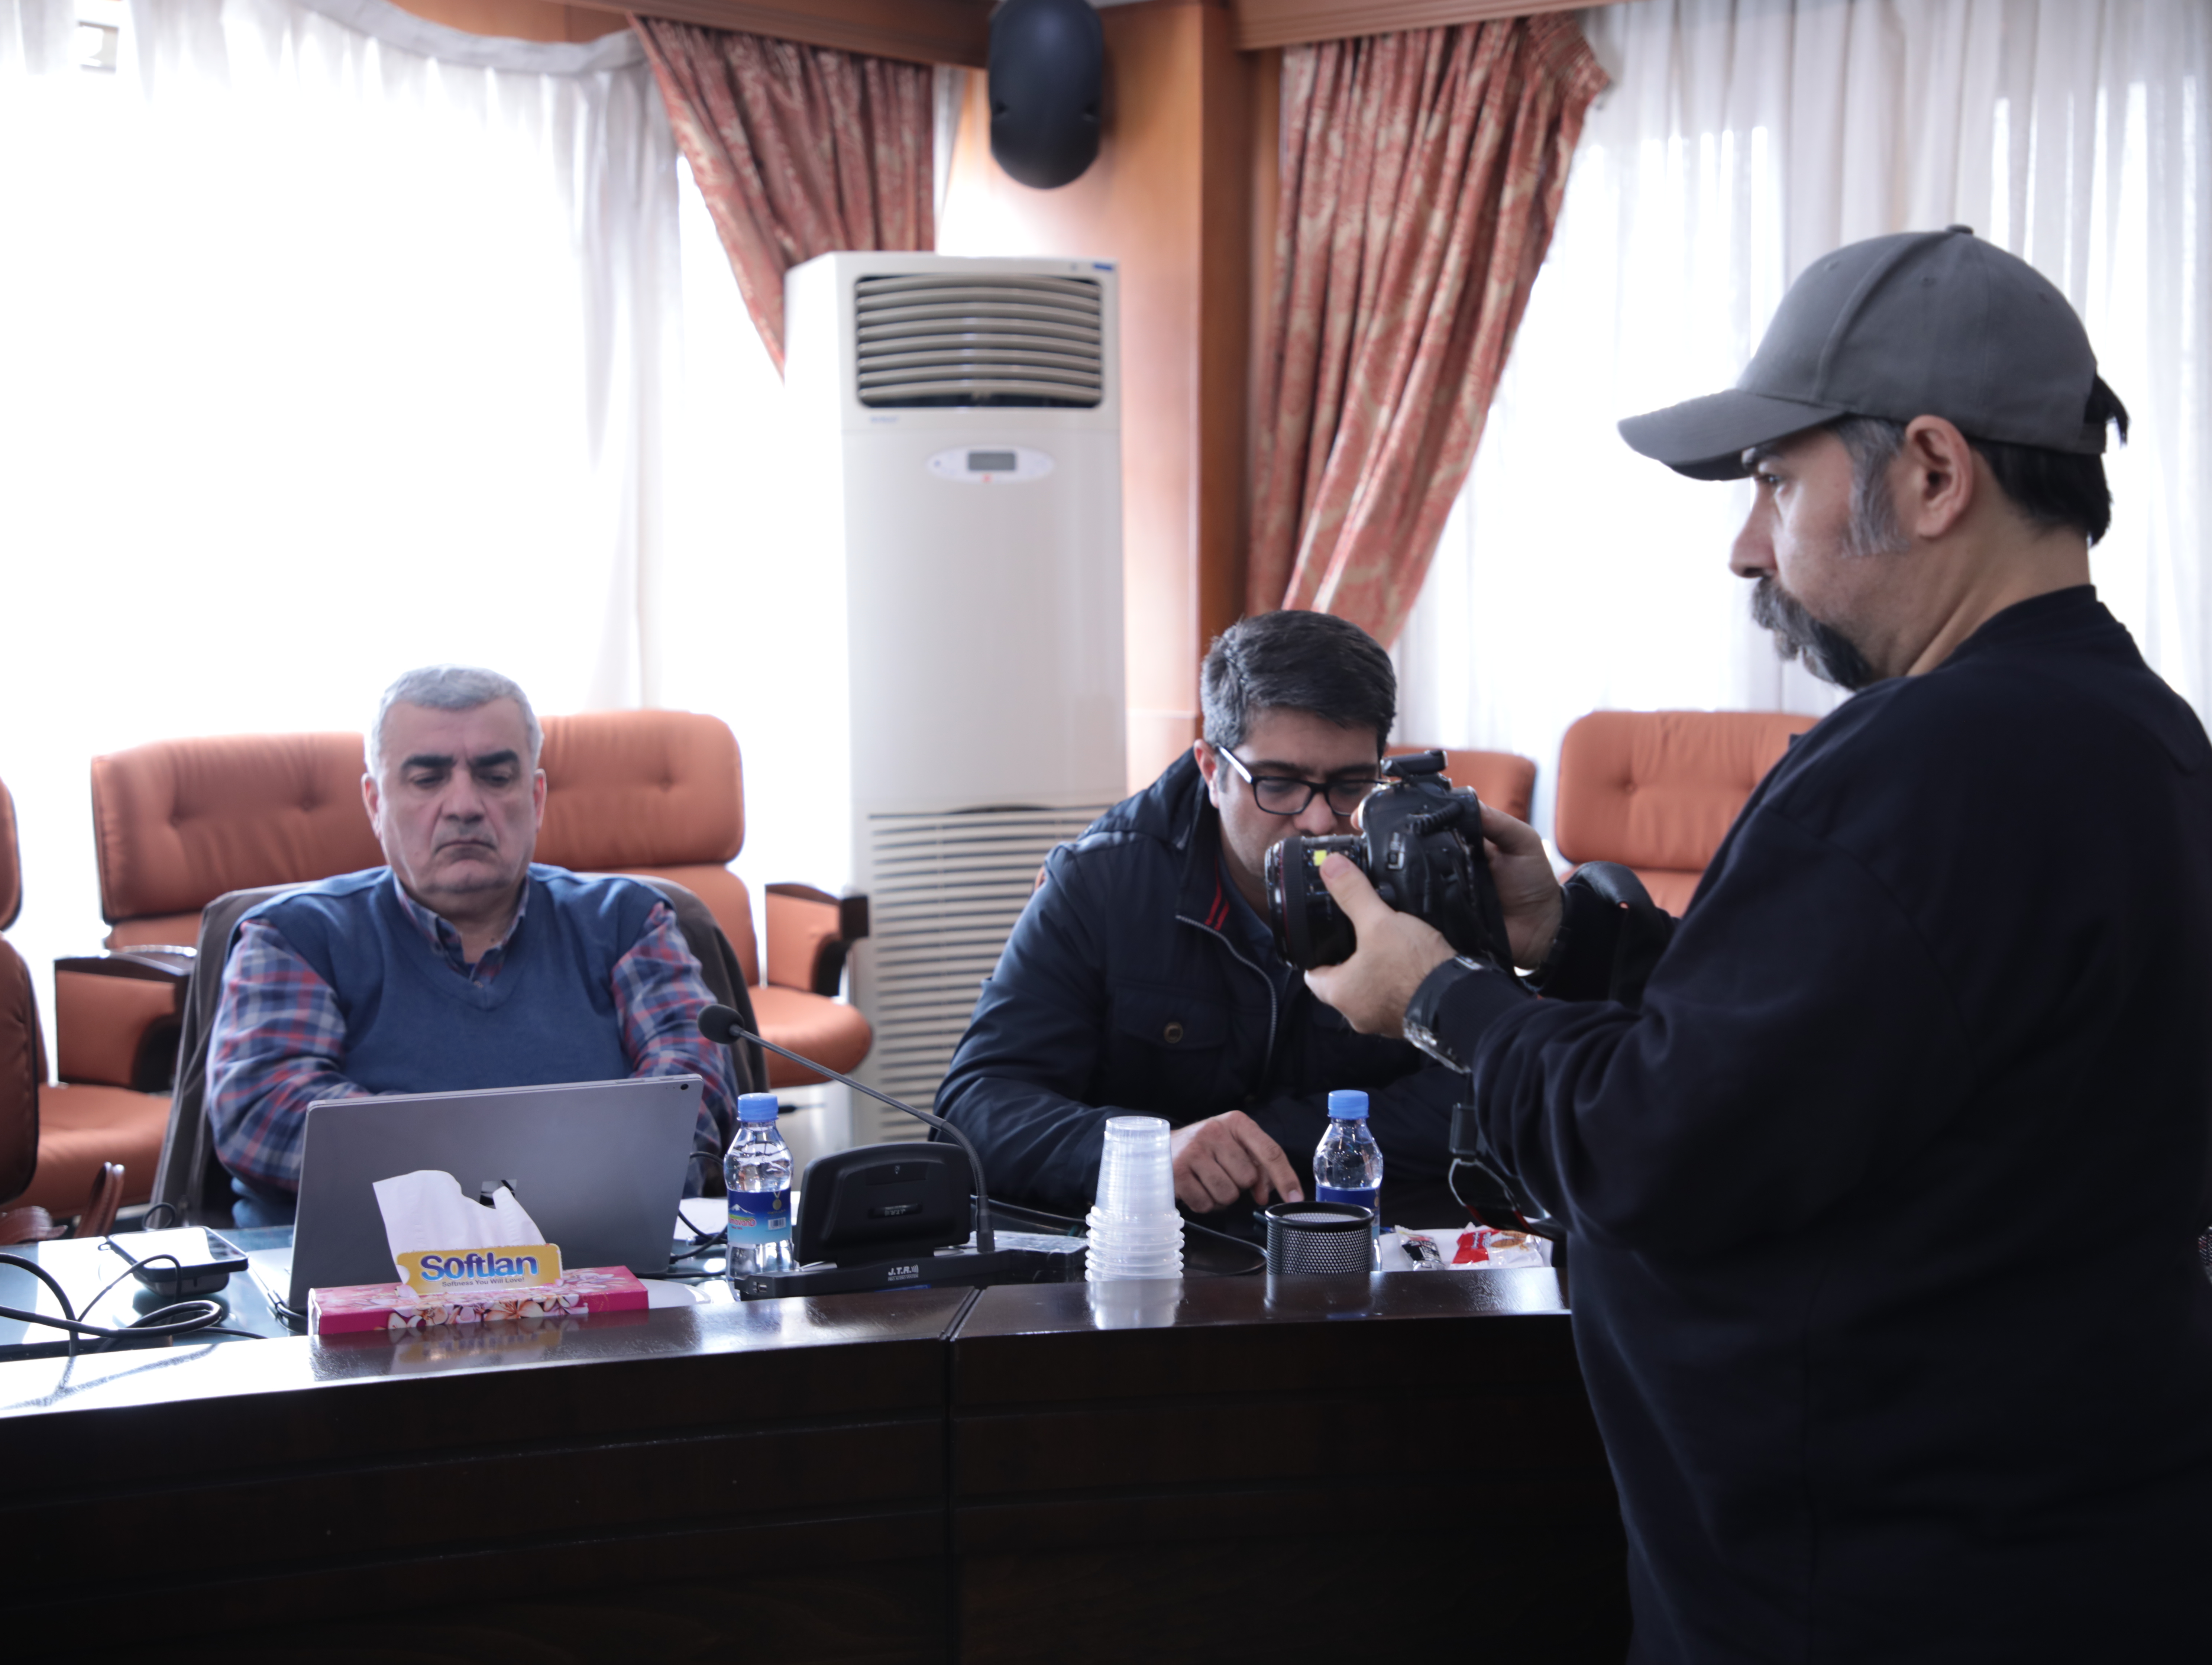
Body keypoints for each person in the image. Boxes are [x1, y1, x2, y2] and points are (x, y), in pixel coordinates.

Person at [1303, 227, 2212, 1659]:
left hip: (1866, 1586)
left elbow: (1655, 1149)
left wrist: (1440, 999)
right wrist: (1576, 938)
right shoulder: (2142, 740)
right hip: (2079, 1540)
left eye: (1776, 482)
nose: (1745, 545)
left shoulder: (1916, 766)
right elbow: (1860, 1059)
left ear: (1932, 472)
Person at [936, 610, 1465, 1232]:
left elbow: (1488, 1094)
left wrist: (1264, 1139)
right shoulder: (1100, 883)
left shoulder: (1423, 876)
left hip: (1361, 1245)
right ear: (1212, 771)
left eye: (1351, 785)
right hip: (1143, 1251)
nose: (1320, 823)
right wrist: (1146, 1152)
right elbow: (975, 1110)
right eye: (1280, 784)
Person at [206, 666, 740, 1226]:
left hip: (592, 1250)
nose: (463, 805)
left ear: (536, 797)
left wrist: (448, 1159)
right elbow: (264, 1112)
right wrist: (517, 1171)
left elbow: (691, 1089)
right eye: (427, 779)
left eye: (496, 777)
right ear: (375, 803)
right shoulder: (296, 936)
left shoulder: (628, 922)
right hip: (362, 1261)